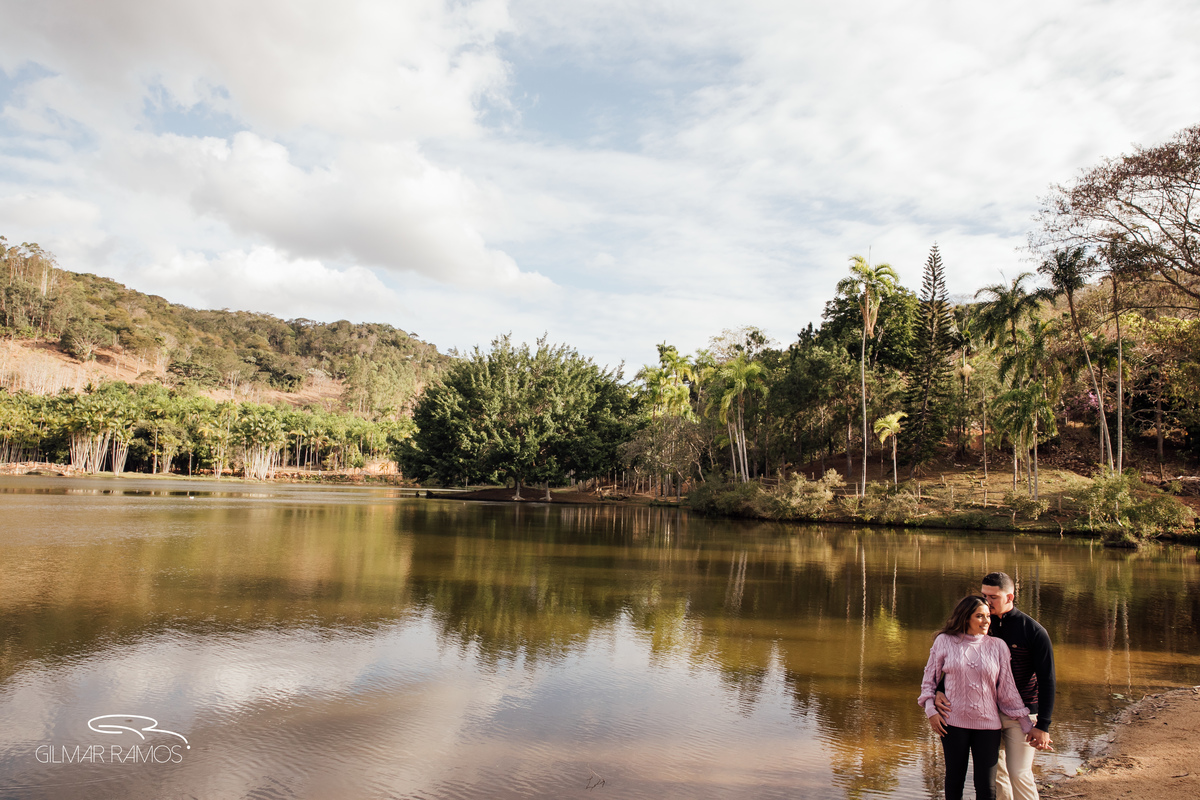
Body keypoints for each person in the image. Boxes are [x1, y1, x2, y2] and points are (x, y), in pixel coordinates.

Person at [935, 572, 1055, 800]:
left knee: (1019, 773)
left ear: (1010, 596)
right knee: (997, 777)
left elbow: (1048, 680)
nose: (986, 602)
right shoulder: (981, 624)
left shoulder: (1033, 631)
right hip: (987, 713)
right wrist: (940, 688)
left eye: (993, 597)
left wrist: (1044, 724)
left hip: (1024, 713)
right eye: (984, 595)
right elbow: (958, 662)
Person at [919, 595, 1033, 800]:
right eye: (979, 616)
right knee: (954, 781)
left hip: (988, 726)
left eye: (988, 616)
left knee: (987, 788)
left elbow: (1007, 690)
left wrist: (1029, 725)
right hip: (952, 723)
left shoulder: (998, 646)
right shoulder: (944, 641)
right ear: (965, 618)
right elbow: (929, 682)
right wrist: (930, 711)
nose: (986, 621)